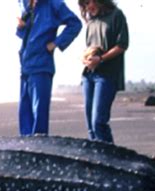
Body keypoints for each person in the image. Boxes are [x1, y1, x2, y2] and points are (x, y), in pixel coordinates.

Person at [16, 0, 82, 136]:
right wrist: (21, 27)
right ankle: (26, 150)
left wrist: (56, 43)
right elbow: (26, 34)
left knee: (39, 112)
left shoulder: (54, 3)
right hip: (25, 64)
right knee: (24, 112)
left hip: (41, 64)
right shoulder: (24, 3)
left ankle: (38, 150)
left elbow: (75, 24)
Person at [78, 0, 129, 143]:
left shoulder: (116, 15)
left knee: (98, 122)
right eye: (84, 4)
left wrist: (100, 59)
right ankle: (97, 160)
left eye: (89, 2)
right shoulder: (91, 22)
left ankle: (112, 160)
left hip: (107, 74)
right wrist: (85, 58)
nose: (88, 7)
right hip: (89, 74)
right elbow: (90, 47)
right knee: (90, 126)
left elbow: (122, 45)